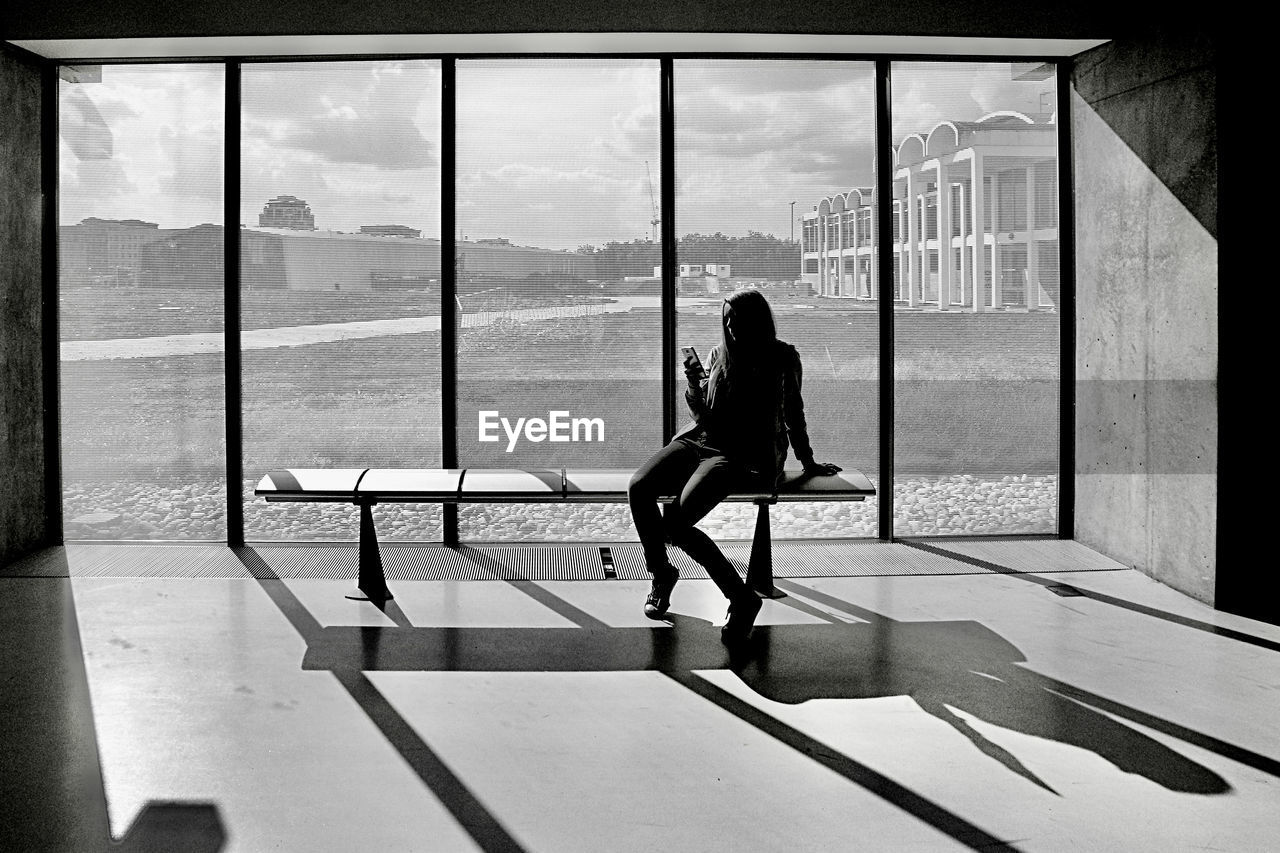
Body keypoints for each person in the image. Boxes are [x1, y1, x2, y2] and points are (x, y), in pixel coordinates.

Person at [627, 288, 842, 644]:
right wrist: (695, 388)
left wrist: (807, 461)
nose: (729, 325)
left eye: (736, 318)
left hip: (745, 454)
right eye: (725, 318)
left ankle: (740, 597)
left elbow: (793, 412)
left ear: (756, 321)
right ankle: (662, 573)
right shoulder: (718, 355)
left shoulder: (782, 357)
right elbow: (703, 414)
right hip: (702, 439)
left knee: (677, 524)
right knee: (639, 486)